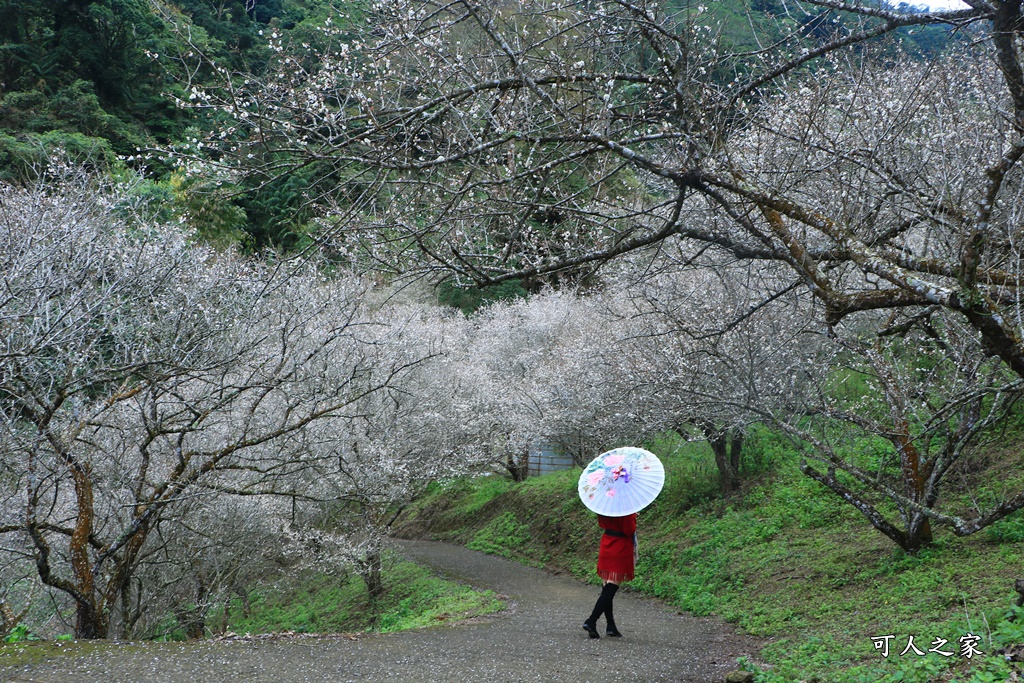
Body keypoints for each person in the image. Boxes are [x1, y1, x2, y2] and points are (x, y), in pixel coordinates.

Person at [582, 512, 637, 639]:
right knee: (610, 589)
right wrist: (633, 516)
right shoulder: (626, 508)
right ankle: (591, 620)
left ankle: (611, 626)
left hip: (607, 543)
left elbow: (602, 523)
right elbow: (629, 530)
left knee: (607, 588)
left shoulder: (606, 505)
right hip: (620, 546)